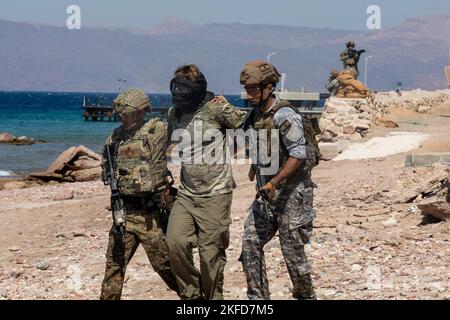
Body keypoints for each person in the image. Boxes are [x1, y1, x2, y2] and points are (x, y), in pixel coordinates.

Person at [239, 60, 320, 300]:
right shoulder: (253, 116)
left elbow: (298, 154)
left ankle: (306, 296)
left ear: (269, 87)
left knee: (292, 251)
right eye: (247, 89)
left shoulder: (285, 115)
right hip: (266, 195)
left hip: (293, 193)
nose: (249, 94)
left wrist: (274, 182)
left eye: (254, 89)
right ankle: (258, 299)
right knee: (250, 243)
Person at [166, 64, 247, 300]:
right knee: (175, 244)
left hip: (216, 195)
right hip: (186, 193)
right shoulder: (174, 113)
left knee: (210, 257)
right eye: (177, 90)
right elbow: (168, 144)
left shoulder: (215, 109)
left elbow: (247, 125)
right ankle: (191, 297)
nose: (180, 95)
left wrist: (232, 148)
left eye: (185, 90)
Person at [100, 88, 179, 300]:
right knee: (114, 266)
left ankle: (197, 300)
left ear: (141, 112)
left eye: (127, 114)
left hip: (150, 216)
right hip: (124, 214)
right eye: (121, 115)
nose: (123, 118)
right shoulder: (116, 138)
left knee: (165, 267)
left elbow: (180, 120)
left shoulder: (156, 130)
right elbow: (107, 166)